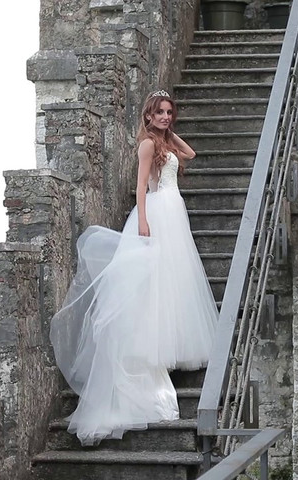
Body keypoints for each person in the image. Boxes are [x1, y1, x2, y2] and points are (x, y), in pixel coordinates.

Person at [49, 90, 219, 446]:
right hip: (157, 212)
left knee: (173, 280)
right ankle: (147, 353)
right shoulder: (146, 147)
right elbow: (141, 187)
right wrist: (142, 220)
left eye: (170, 112)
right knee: (153, 282)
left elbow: (191, 153)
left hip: (176, 213)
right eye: (160, 113)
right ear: (148, 115)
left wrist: (168, 133)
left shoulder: (166, 142)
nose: (166, 117)